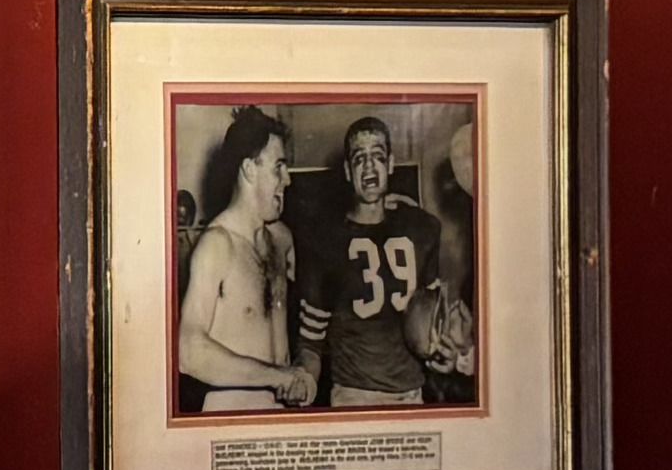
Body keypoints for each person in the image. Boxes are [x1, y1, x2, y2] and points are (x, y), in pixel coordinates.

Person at [288, 110, 464, 412]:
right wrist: (304, 379)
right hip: (354, 396)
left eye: (378, 156)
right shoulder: (323, 242)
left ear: (391, 164)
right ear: (347, 171)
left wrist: (443, 356)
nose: (369, 165)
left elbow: (430, 320)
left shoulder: (422, 228)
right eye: (359, 158)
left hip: (413, 394)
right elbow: (311, 343)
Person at [178, 109, 309, 411]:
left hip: (281, 412)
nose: (287, 180)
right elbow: (187, 352)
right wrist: (277, 377)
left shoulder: (281, 240)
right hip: (232, 410)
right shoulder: (216, 246)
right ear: (250, 169)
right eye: (279, 168)